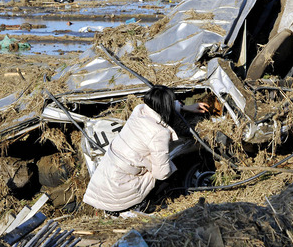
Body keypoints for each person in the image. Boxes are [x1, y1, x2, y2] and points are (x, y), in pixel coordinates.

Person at [83, 85, 208, 216]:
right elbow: (161, 174)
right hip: (120, 191)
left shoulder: (139, 111)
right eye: (171, 103)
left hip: (106, 179)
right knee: (171, 171)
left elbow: (157, 108)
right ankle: (143, 204)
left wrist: (183, 107)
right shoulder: (159, 133)